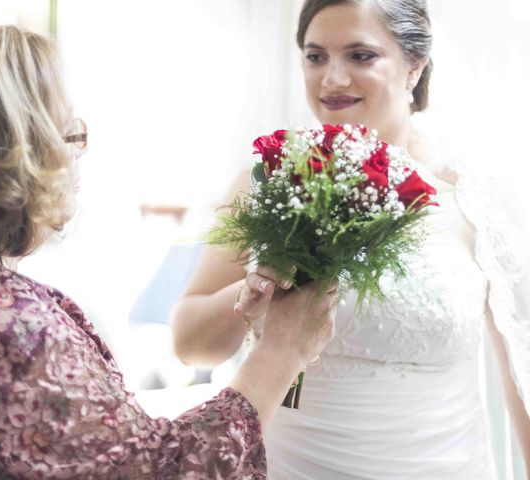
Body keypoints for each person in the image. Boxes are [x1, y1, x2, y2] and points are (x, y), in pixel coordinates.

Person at [0, 1, 340, 478]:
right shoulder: (12, 331)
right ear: (8, 162)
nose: (77, 156)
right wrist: (278, 354)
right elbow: (157, 471)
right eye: (67, 135)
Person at [171, 0, 530, 478]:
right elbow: (190, 344)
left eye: (360, 56)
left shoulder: (474, 195)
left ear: (414, 66)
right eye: (316, 56)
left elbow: (521, 376)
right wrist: (254, 292)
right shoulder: (267, 181)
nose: (332, 79)